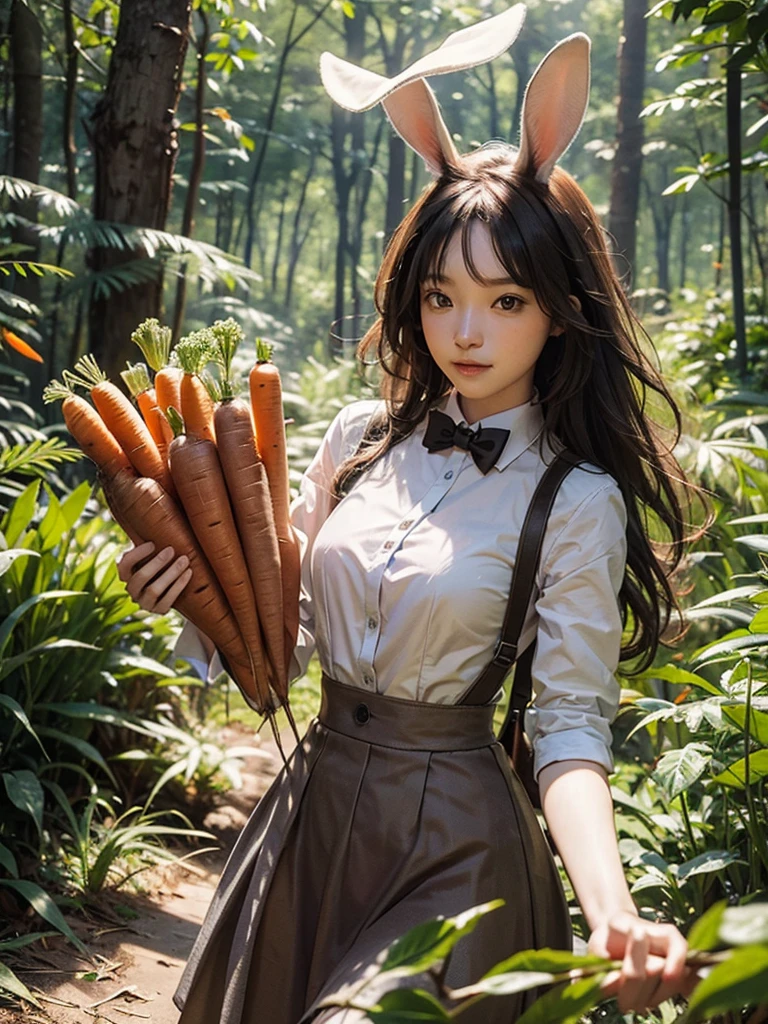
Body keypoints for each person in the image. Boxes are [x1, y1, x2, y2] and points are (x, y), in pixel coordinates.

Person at [117, 8, 700, 1022]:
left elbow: (567, 728)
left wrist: (612, 910)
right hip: (311, 816)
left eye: (506, 300)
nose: (465, 332)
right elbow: (281, 638)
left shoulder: (577, 500)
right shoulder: (355, 440)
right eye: (440, 297)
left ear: (559, 308)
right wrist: (195, 602)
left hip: (457, 848)